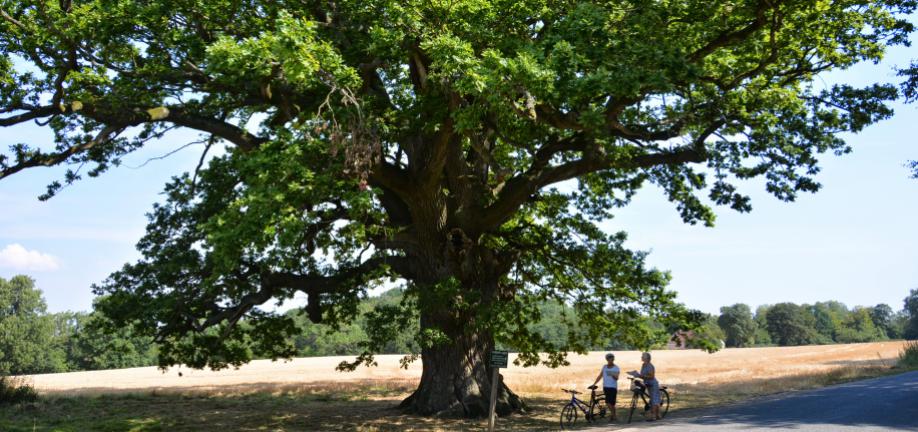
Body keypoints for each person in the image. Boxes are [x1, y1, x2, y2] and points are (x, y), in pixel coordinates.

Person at [628, 352, 661, 421]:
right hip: (647, 383)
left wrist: (640, 376)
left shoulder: (650, 366)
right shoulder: (643, 365)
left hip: (653, 384)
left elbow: (652, 376)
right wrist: (635, 375)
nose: (641, 357)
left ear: (647, 358)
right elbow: (643, 376)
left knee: (654, 400)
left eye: (643, 356)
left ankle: (654, 416)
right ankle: (657, 415)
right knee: (652, 398)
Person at [591, 353, 620, 422]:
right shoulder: (604, 367)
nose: (610, 360)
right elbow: (600, 376)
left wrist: (612, 374)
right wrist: (594, 383)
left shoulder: (616, 367)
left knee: (611, 403)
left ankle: (613, 416)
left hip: (613, 387)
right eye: (609, 359)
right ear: (607, 359)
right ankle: (614, 416)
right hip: (606, 387)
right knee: (608, 402)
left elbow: (616, 378)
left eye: (612, 359)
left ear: (613, 359)